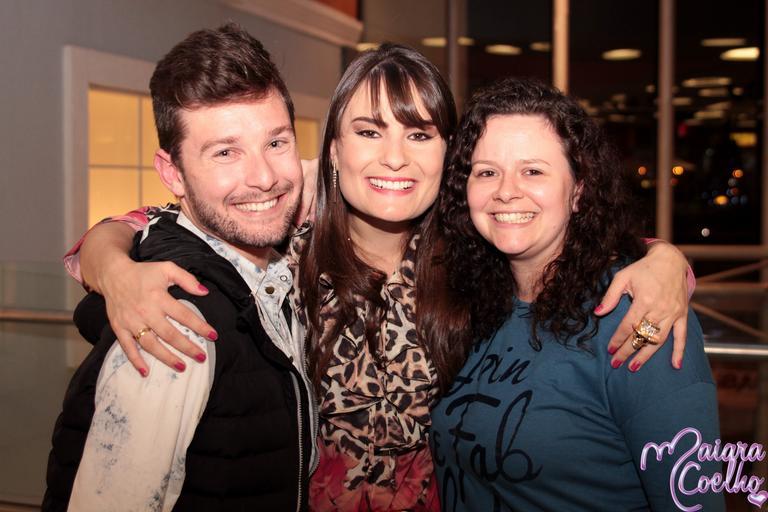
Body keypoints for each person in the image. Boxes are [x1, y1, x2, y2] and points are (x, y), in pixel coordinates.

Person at [64, 46, 695, 510]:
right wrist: (112, 265)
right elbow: (156, 223)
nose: (394, 158)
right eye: (369, 132)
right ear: (334, 152)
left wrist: (668, 262)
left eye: (419, 134)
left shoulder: (473, 250)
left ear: (449, 154)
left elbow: (568, 237)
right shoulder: (285, 238)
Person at [44, 24, 317, 511]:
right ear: (173, 173)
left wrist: (108, 258)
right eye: (225, 152)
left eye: (277, 143)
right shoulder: (172, 326)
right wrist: (113, 268)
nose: (264, 177)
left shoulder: (272, 260)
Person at [430, 78, 723, 511]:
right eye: (487, 172)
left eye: (533, 171)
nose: (506, 190)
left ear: (579, 190)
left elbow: (692, 502)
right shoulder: (467, 303)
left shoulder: (637, 315)